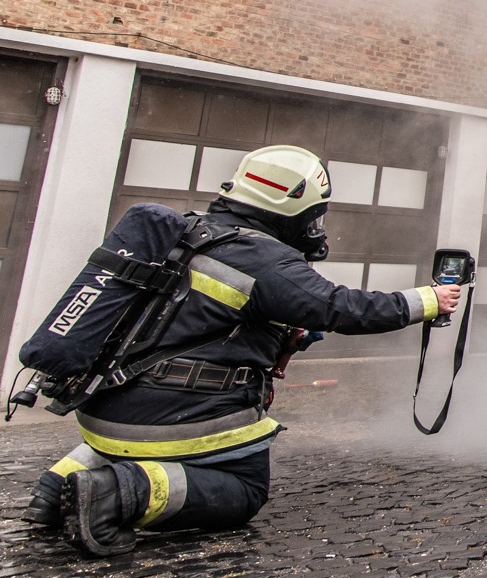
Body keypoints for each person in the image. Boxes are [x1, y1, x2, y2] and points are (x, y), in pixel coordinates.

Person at [19, 145, 460, 555]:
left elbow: (193, 319)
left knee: (133, 437)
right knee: (244, 488)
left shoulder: (189, 234)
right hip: (165, 419)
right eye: (313, 214)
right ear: (293, 208)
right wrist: (427, 300)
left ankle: (57, 485)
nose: (316, 227)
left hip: (103, 408)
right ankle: (114, 493)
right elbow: (340, 308)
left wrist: (283, 338)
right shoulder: (265, 259)